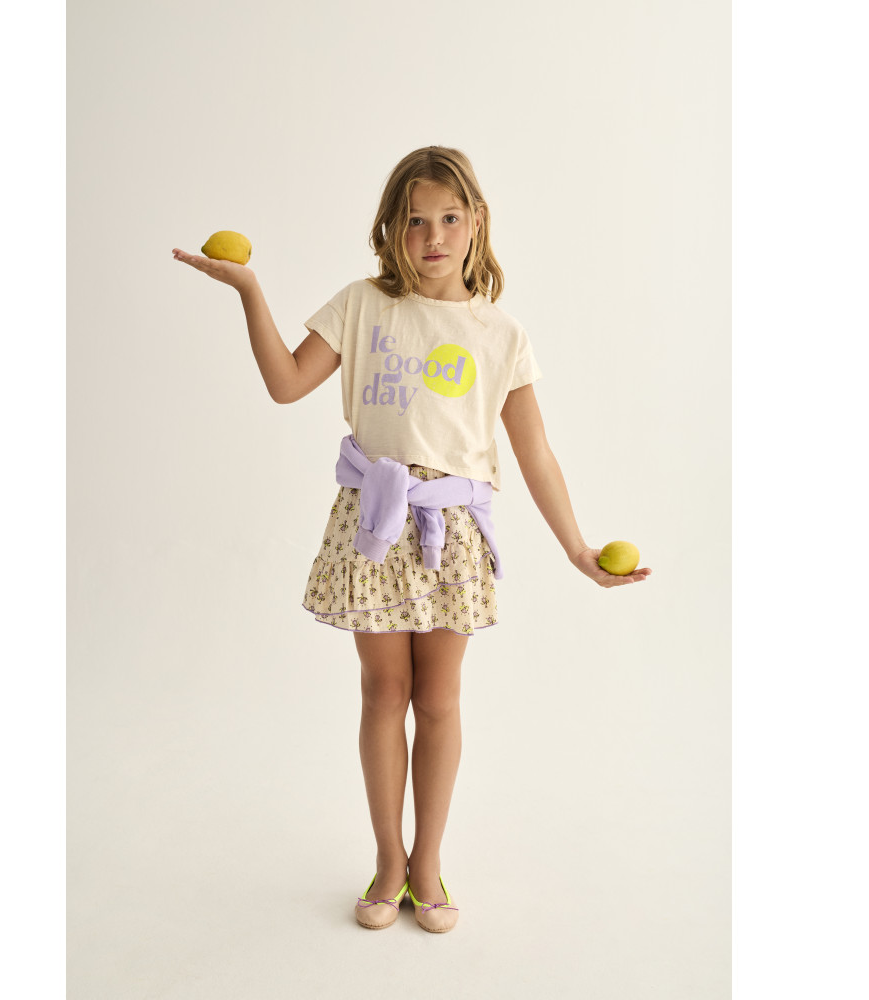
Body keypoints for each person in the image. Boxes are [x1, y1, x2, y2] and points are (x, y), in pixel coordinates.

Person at [172, 146, 652, 934]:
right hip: (374, 524)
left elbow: (534, 452)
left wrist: (576, 548)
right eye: (417, 220)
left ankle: (427, 864)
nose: (434, 237)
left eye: (450, 218)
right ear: (392, 229)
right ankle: (388, 860)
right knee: (383, 692)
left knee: (437, 699)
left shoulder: (500, 333)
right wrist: (250, 291)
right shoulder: (363, 305)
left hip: (450, 530)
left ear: (477, 223)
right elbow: (286, 383)